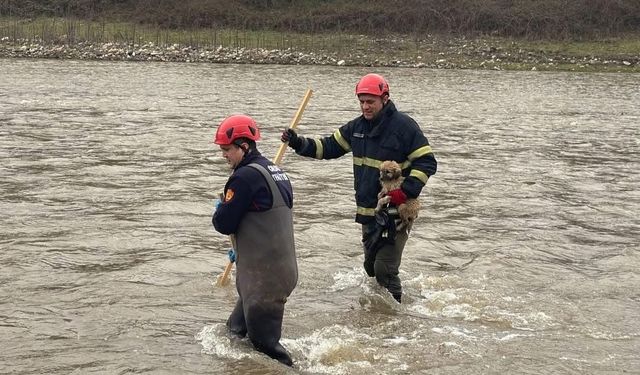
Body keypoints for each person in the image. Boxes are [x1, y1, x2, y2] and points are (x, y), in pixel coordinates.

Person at [281, 73, 437, 303]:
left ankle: (398, 317)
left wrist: (405, 192)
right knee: (370, 268)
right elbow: (327, 147)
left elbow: (427, 162)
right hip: (368, 212)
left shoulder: (404, 127)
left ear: (385, 99)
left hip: (396, 213)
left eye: (370, 101)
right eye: (361, 101)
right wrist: (297, 142)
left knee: (384, 269)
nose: (365, 106)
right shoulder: (356, 128)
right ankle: (381, 311)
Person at [211, 114, 298, 366]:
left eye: (227, 150)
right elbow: (267, 219)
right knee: (234, 334)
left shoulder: (243, 178)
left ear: (244, 146)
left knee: (269, 353)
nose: (223, 155)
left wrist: (220, 209)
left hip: (264, 282)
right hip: (278, 272)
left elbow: (223, 223)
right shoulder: (277, 171)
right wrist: (243, 247)